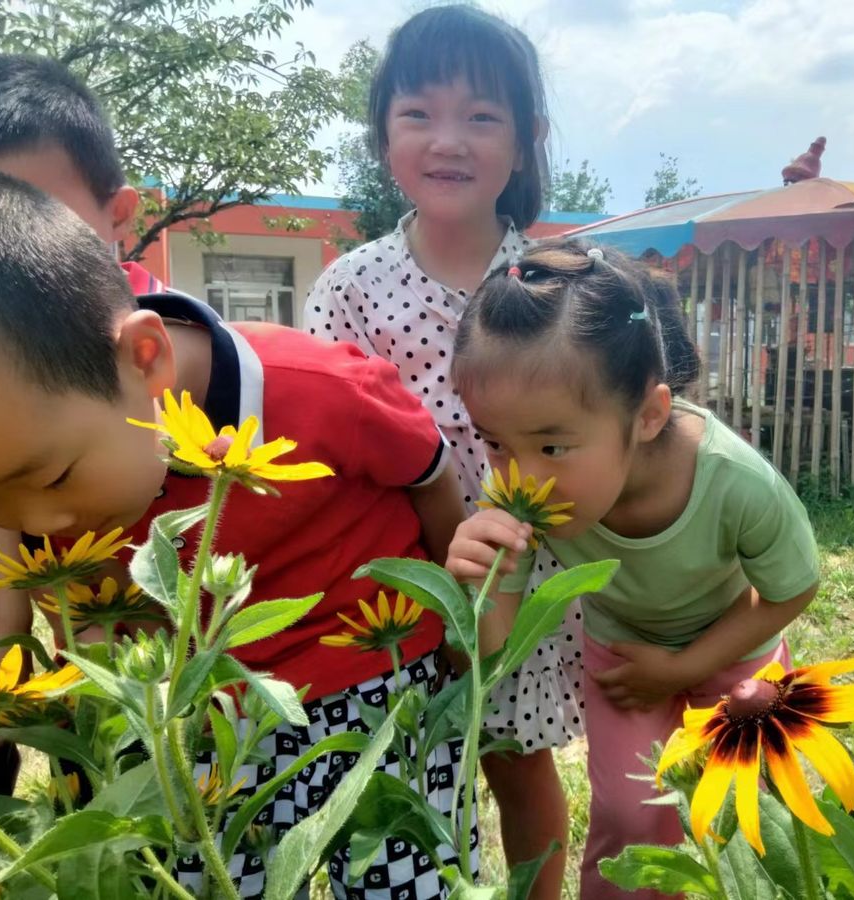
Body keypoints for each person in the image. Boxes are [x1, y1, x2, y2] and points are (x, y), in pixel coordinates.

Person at [0, 168, 468, 899]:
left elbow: (429, 474)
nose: (38, 525)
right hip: (196, 713)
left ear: (145, 359)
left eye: (53, 478)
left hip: (371, 676)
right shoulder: (38, 447)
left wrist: (459, 617)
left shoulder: (321, 388)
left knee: (404, 875)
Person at [444, 240, 820, 900]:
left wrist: (681, 668)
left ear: (647, 415)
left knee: (749, 819)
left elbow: (793, 588)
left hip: (737, 654)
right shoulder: (520, 497)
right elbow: (491, 653)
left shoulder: (736, 482)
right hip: (620, 661)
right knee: (630, 818)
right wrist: (476, 588)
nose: (520, 476)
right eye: (495, 442)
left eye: (552, 445)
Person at [304, 9, 577, 898]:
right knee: (415, 769)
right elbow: (329, 444)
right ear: (384, 135)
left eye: (482, 116)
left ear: (526, 141)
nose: (448, 140)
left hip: (526, 567)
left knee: (518, 762)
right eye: (418, 113)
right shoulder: (351, 287)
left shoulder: (557, 280)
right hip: (405, 578)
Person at [0, 52, 161, 798]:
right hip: (83, 647)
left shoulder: (160, 347)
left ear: (118, 216)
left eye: (30, 208)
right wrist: (10, 624)